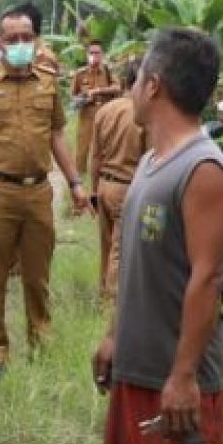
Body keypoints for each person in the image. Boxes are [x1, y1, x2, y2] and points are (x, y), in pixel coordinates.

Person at [93, 28, 223, 444]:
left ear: (153, 85)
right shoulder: (155, 159)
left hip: (178, 380)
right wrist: (113, 335)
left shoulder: (203, 169)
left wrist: (183, 378)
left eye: (134, 78)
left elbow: (208, 280)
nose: (128, 88)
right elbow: (141, 267)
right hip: (141, 365)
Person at [0, 5, 91, 381]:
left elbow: (58, 134)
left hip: (37, 191)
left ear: (36, 40)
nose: (20, 44)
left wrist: (76, 183)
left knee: (37, 276)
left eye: (27, 38)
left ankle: (41, 343)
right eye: (12, 39)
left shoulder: (47, 81)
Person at [89, 56, 146, 303]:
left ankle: (103, 297)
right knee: (120, 252)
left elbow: (95, 156)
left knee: (106, 247)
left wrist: (93, 191)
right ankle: (113, 306)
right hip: (128, 187)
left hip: (104, 185)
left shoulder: (105, 110)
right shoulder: (143, 114)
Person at [72, 39, 120, 177]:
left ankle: (104, 173)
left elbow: (117, 88)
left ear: (102, 54)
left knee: (106, 146)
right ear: (87, 54)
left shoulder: (108, 71)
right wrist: (82, 99)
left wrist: (98, 91)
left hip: (105, 114)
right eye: (91, 52)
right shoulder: (80, 74)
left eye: (97, 53)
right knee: (82, 148)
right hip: (87, 114)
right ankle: (79, 176)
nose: (94, 55)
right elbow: (73, 96)